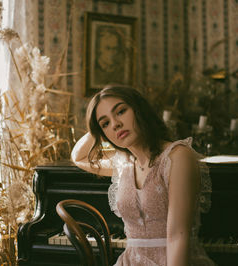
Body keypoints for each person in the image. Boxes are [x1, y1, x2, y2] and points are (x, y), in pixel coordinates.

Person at [71, 85, 214, 266]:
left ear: (139, 109)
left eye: (121, 111)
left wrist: (104, 121)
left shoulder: (177, 157)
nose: (115, 124)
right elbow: (79, 157)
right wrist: (97, 128)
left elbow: (178, 237)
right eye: (105, 123)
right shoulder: (124, 164)